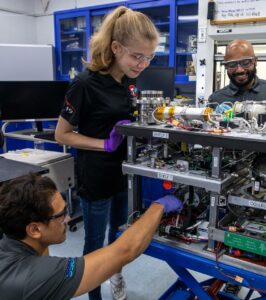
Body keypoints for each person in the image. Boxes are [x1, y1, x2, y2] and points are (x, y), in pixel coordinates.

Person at [55, 6, 159, 300]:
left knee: (120, 235)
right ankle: (94, 295)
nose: (142, 64)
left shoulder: (129, 82)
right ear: (115, 47)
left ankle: (117, 276)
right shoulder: (85, 84)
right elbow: (61, 134)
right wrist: (104, 143)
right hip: (96, 177)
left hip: (124, 174)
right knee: (96, 246)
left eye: (149, 57)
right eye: (136, 56)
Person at [0, 173, 183, 300]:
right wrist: (158, 206)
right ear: (34, 230)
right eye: (61, 215)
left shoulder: (11, 238)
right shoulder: (35, 276)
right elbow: (125, 250)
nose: (69, 218)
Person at [208, 39, 266, 104]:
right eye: (232, 64)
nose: (239, 70)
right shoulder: (215, 99)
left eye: (245, 63)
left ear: (255, 61)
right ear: (226, 66)